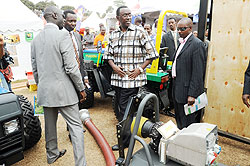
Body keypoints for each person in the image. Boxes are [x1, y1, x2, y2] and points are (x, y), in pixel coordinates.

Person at [31, 6, 87, 166]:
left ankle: (52, 155)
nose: (64, 19)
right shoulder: (63, 35)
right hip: (65, 92)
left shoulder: (36, 40)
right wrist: (81, 88)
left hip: (45, 91)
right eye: (62, 16)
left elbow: (35, 69)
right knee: (76, 127)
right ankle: (80, 163)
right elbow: (71, 68)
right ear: (54, 15)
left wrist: (42, 85)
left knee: (50, 126)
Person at [103, 6, 158, 150]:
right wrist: (114, 67)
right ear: (118, 18)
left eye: (129, 15)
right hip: (117, 80)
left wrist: (140, 69)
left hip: (132, 80)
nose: (128, 17)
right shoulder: (114, 34)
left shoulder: (139, 32)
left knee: (125, 110)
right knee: (123, 109)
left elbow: (152, 54)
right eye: (124, 15)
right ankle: (128, 137)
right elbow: (107, 55)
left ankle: (125, 142)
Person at [172, 17, 206, 129]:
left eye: (183, 29)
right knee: (179, 120)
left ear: (190, 28)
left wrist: (192, 94)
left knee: (187, 124)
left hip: (187, 92)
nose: (180, 31)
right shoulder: (182, 42)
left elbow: (198, 72)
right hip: (178, 88)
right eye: (178, 29)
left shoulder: (197, 44)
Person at [63, 10, 89, 84]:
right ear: (64, 21)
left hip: (79, 76)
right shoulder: (59, 36)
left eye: (75, 21)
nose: (73, 24)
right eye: (70, 21)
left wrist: (85, 76)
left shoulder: (77, 36)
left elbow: (81, 58)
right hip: (66, 78)